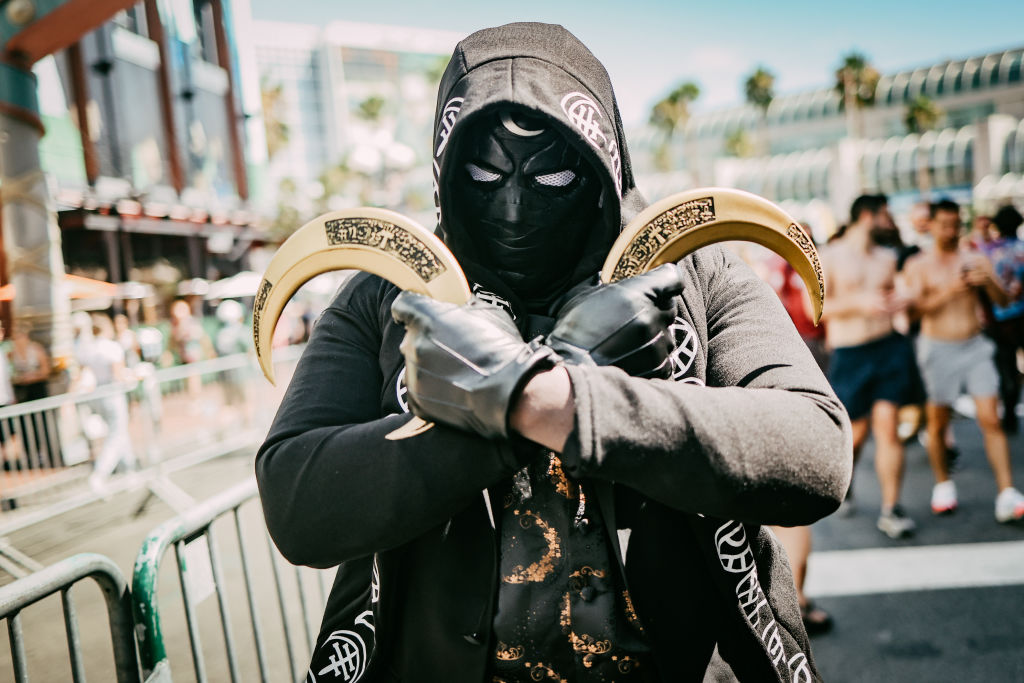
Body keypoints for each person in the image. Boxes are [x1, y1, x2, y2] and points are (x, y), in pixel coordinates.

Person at [257, 23, 851, 682]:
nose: (513, 207)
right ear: (445, 165)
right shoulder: (388, 292)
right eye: (483, 173)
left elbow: (815, 450)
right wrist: (508, 408)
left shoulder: (691, 272)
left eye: (554, 172)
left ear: (604, 159)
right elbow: (295, 499)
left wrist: (569, 402)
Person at [902, 199, 1024, 522]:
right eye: (944, 225)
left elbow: (1004, 300)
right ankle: (943, 484)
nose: (951, 231)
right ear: (932, 226)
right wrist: (950, 289)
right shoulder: (919, 265)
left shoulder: (976, 257)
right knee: (938, 422)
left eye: (956, 224)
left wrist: (989, 282)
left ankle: (1007, 492)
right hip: (937, 347)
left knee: (991, 419)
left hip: (975, 346)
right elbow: (912, 313)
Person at [819, 194, 919, 538]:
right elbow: (816, 309)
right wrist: (859, 303)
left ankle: (892, 508)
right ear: (867, 216)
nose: (890, 221)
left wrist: (902, 301)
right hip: (850, 353)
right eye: (885, 215)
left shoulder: (888, 257)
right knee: (856, 432)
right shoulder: (828, 256)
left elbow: (895, 298)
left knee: (888, 427)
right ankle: (845, 482)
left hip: (888, 347)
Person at [980, 205, 1024, 434]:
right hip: (1021, 316)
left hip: (999, 320)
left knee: (1006, 368)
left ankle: (1009, 414)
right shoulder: (1022, 249)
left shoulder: (987, 252)